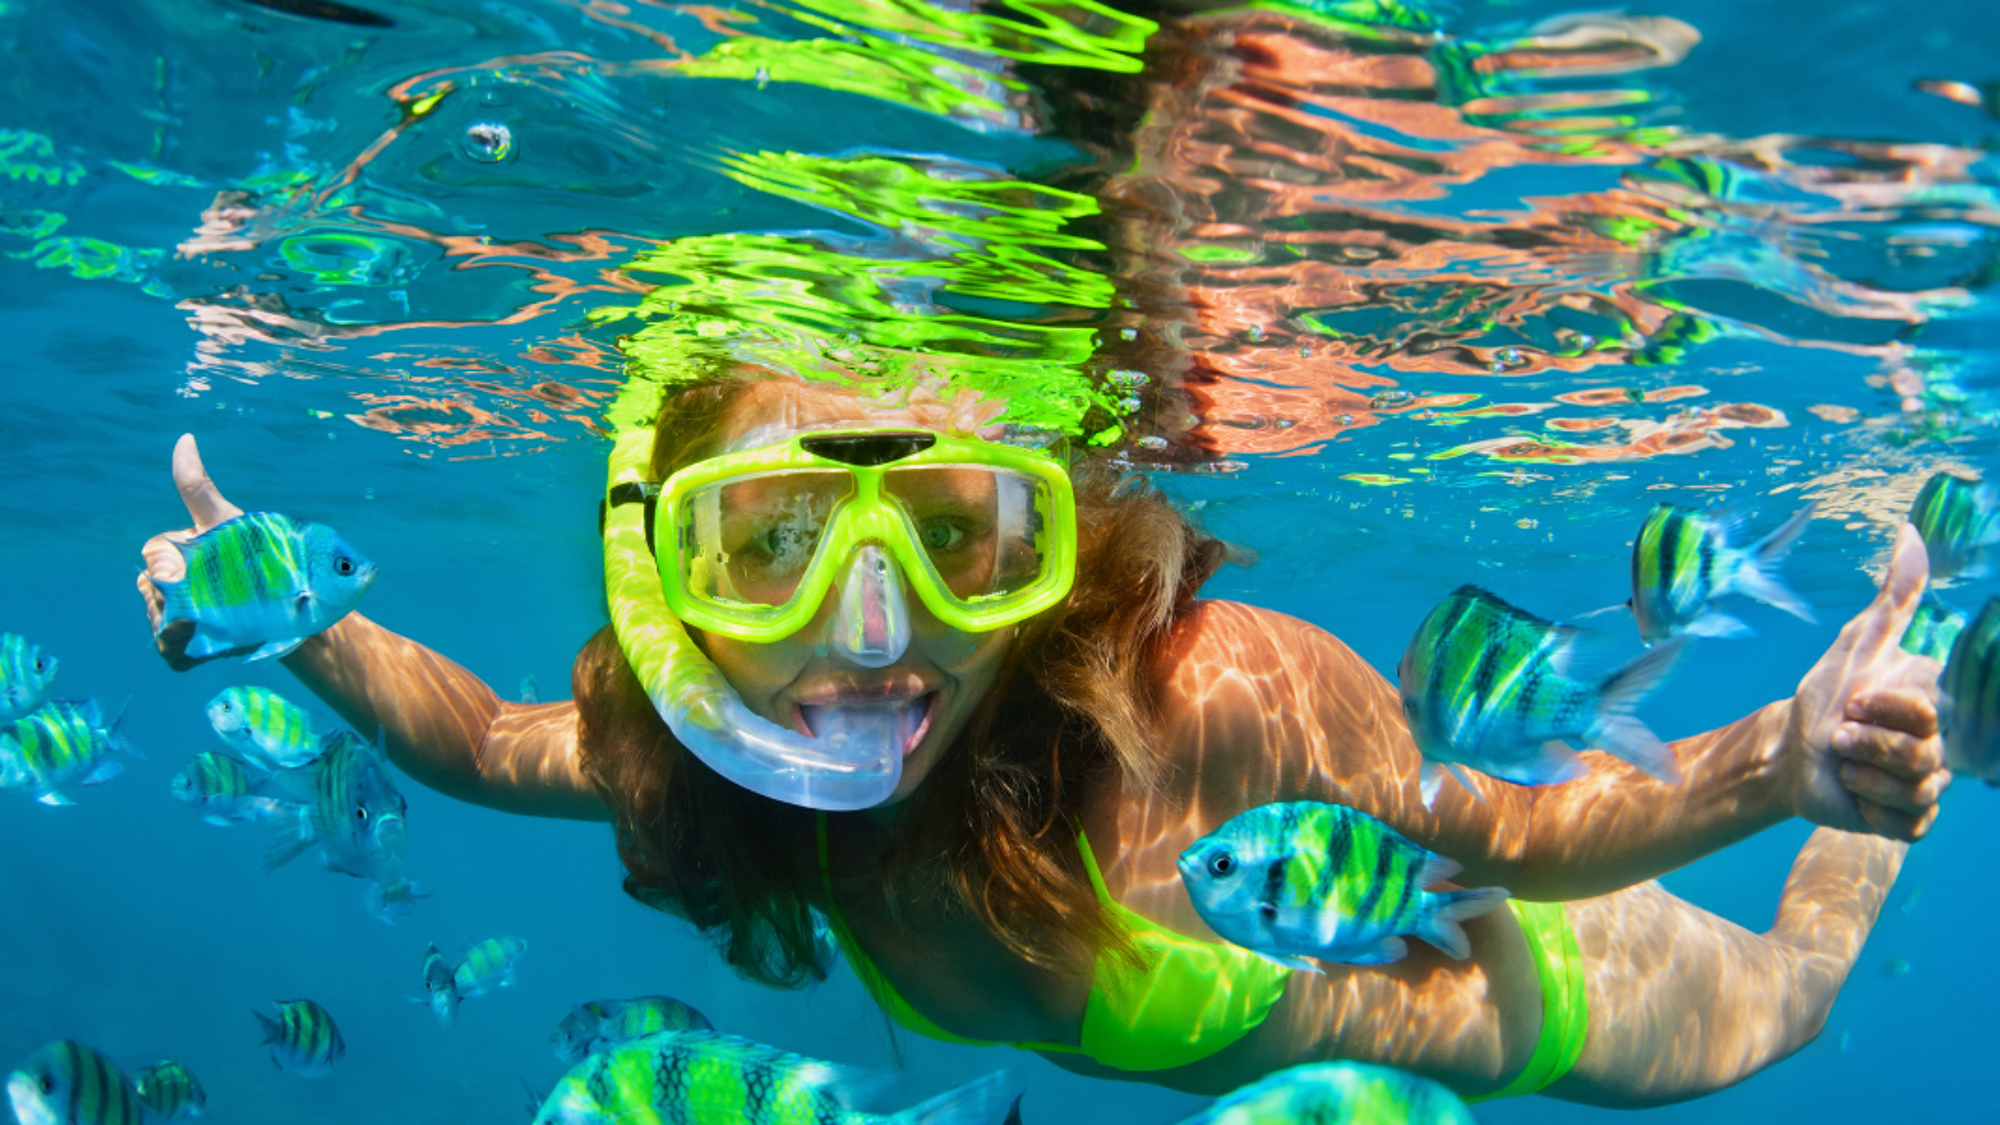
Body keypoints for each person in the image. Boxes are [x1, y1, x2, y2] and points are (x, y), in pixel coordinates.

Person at [137, 367, 1946, 1108]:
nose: (871, 631)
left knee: (1795, 998)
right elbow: (474, 745)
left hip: (1506, 988)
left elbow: (1515, 836)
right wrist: (290, 614)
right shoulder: (695, 747)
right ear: (665, 577)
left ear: (1046, 552)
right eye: (771, 543)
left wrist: (1783, 766)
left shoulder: (1199, 699)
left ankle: (1898, 707)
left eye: (954, 534)